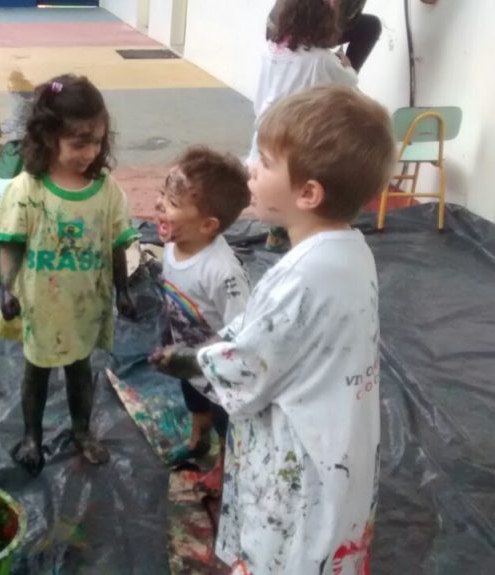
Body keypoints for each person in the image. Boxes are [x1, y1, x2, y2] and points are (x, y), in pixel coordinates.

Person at [152, 85, 395, 573]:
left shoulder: (302, 276)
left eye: (263, 162)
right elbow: (269, 332)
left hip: (301, 459)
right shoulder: (351, 250)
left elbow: (249, 363)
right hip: (338, 445)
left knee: (286, 553)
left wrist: (186, 359)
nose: (250, 169)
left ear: (308, 193)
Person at [0, 74, 140, 477]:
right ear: (48, 137)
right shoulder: (28, 190)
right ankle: (32, 436)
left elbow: (116, 244)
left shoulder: (106, 191)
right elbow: (10, 246)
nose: (90, 153)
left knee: (80, 370)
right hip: (42, 305)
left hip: (85, 303)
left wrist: (123, 291)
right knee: (36, 372)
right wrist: (6, 290)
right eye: (79, 144)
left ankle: (82, 431)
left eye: (97, 142)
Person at [150, 147, 251, 496]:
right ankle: (197, 440)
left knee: (224, 419)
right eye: (163, 194)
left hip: (218, 370)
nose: (159, 204)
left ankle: (224, 465)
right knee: (193, 397)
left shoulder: (222, 272)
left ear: (208, 225)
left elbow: (243, 331)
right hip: (186, 355)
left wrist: (214, 361)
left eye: (172, 202)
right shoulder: (173, 244)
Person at [254, 0, 359, 252]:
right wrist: (347, 65)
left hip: (267, 127)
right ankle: (302, 235)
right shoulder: (321, 60)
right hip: (299, 132)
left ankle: (277, 229)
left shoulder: (270, 50)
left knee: (281, 181)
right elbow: (348, 82)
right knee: (305, 184)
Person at [268, 0, 382, 73]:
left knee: (371, 25)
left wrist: (344, 68)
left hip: (325, 26)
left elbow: (349, 18)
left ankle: (343, 82)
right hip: (289, 28)